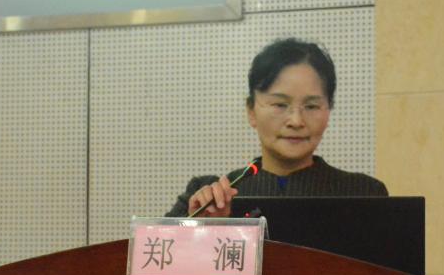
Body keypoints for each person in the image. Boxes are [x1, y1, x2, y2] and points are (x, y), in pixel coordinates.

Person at [166, 38, 387, 217]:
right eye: (280, 105)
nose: (296, 121)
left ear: (328, 110)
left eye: (311, 106)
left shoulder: (364, 194)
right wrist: (200, 228)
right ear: (251, 111)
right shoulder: (207, 198)